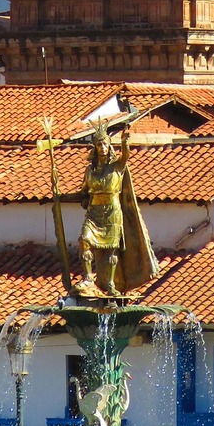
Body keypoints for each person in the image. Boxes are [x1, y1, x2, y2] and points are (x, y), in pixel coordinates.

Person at [75, 123, 158, 297]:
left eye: (105, 144)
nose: (102, 148)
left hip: (112, 212)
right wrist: (59, 196)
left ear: (109, 146)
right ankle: (89, 278)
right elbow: (82, 193)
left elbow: (126, 156)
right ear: (95, 148)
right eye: (99, 144)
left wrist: (124, 144)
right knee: (84, 240)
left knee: (112, 250)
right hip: (94, 212)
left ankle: (112, 283)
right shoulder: (89, 171)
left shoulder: (117, 167)